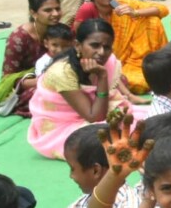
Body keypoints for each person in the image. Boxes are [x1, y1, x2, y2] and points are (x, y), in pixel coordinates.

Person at [27, 19, 143, 160]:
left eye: (107, 47)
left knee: (142, 122)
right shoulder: (61, 72)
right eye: (94, 45)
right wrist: (102, 77)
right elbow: (94, 117)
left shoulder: (108, 61)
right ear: (77, 45)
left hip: (96, 112)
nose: (101, 52)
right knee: (103, 136)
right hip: (60, 128)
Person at [72, 0, 168, 94]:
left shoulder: (122, 4)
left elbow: (162, 9)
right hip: (100, 59)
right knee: (128, 80)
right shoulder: (87, 9)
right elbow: (79, 39)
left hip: (131, 61)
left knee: (152, 21)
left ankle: (158, 64)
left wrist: (134, 13)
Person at [0, 0, 62, 117]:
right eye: (48, 10)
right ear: (33, 13)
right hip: (29, 87)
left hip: (58, 78)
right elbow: (7, 79)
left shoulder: (59, 31)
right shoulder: (18, 38)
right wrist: (42, 81)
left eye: (58, 9)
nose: (55, 14)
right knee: (49, 97)